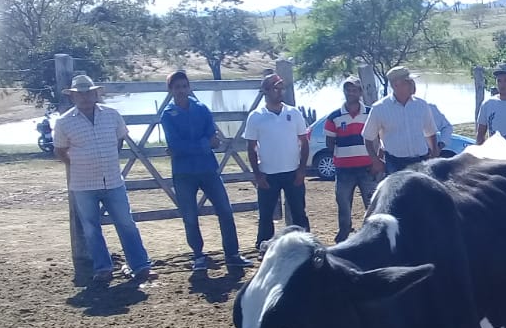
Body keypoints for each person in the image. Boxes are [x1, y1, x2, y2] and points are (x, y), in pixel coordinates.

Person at [53, 74, 156, 284]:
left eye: (88, 93)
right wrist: (79, 164)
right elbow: (60, 150)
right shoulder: (64, 122)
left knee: (126, 223)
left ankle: (141, 266)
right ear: (73, 96)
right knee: (91, 228)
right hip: (83, 184)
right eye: (80, 94)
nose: (84, 97)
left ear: (95, 94)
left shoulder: (112, 115)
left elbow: (119, 140)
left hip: (113, 180)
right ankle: (103, 268)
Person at [160, 70, 252, 270]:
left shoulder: (201, 109)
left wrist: (191, 146)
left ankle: (232, 254)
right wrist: (203, 144)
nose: (182, 90)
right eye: (177, 87)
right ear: (171, 90)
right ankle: (198, 256)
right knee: (190, 216)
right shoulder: (167, 115)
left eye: (184, 86)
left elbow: (214, 139)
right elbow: (176, 145)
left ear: (189, 87)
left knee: (225, 210)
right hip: (184, 173)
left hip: (208, 169)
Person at [245, 71, 310, 249]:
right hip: (268, 174)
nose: (280, 91)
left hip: (292, 172)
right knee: (266, 215)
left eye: (282, 88)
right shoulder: (256, 116)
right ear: (265, 91)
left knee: (298, 212)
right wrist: (258, 175)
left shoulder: (294, 113)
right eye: (275, 88)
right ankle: (264, 246)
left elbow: (304, 142)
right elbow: (251, 147)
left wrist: (302, 170)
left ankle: (305, 245)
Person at [324, 77, 378, 243]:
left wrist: (377, 160)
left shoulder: (371, 113)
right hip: (344, 169)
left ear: (360, 92)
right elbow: (330, 142)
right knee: (343, 203)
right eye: (348, 90)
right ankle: (344, 231)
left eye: (354, 90)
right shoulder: (334, 116)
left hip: (367, 167)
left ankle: (373, 233)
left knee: (372, 203)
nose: (351, 93)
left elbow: (379, 138)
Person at [363, 66, 438, 176]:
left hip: (422, 161)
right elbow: (368, 137)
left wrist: (434, 153)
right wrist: (376, 161)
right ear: (396, 85)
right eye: (409, 82)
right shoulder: (379, 108)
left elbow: (430, 132)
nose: (413, 85)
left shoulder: (422, 105)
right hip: (395, 164)